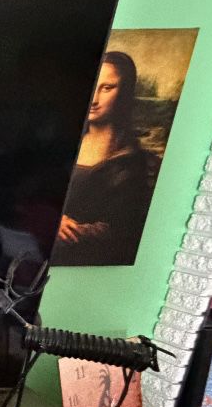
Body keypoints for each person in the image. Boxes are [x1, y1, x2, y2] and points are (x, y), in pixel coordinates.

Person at [55, 51, 157, 266]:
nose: (94, 100)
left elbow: (124, 229)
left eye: (107, 88)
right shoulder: (59, 142)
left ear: (124, 92)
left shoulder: (133, 161)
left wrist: (75, 230)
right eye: (93, 85)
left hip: (87, 260)